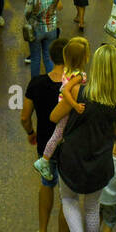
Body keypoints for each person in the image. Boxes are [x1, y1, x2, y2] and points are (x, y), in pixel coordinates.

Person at [52, 42, 116, 232]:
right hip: (101, 158)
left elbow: (54, 116)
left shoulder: (79, 91)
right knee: (92, 206)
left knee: (69, 199)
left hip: (73, 156)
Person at [34, 37, 88, 179]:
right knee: (58, 134)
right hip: (65, 106)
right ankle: (44, 160)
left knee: (59, 133)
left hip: (62, 103)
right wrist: (75, 105)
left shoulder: (68, 71)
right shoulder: (79, 75)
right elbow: (65, 90)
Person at [26, 0, 61, 76]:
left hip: (36, 29)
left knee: (35, 57)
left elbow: (27, 12)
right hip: (51, 29)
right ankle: (51, 82)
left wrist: (30, 20)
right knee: (48, 57)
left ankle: (35, 85)